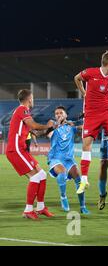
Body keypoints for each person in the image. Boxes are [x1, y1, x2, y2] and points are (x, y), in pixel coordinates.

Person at [73, 50, 108, 194]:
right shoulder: (91, 73)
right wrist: (84, 93)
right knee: (86, 145)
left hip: (106, 112)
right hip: (91, 114)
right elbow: (77, 78)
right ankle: (84, 180)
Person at [5, 89, 55, 219]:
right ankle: (28, 210)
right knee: (35, 177)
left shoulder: (23, 112)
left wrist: (50, 128)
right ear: (29, 99)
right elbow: (34, 125)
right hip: (16, 149)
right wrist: (46, 125)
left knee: (42, 174)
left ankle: (40, 207)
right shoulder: (23, 110)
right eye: (32, 98)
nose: (33, 100)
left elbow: (36, 131)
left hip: (20, 149)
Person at [46, 106, 89, 214]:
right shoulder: (52, 124)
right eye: (56, 113)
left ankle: (83, 206)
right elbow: (49, 134)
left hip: (69, 159)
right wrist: (58, 124)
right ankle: (63, 197)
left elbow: (82, 128)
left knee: (79, 179)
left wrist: (86, 120)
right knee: (62, 172)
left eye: (61, 113)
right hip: (55, 158)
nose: (58, 115)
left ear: (66, 115)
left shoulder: (70, 125)